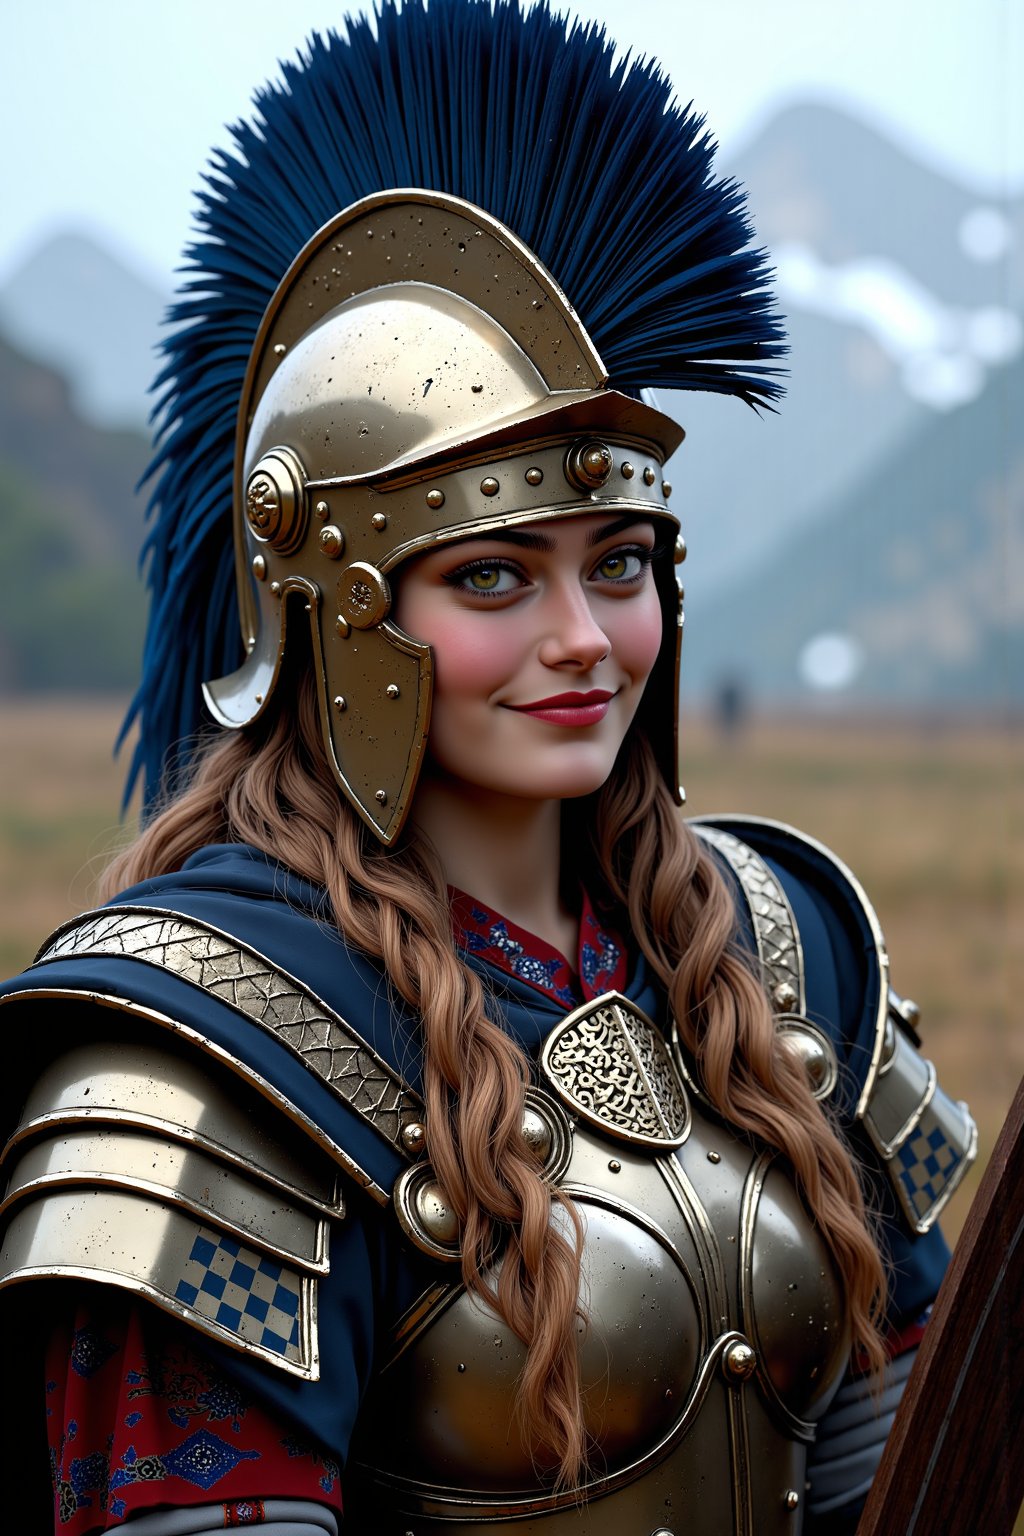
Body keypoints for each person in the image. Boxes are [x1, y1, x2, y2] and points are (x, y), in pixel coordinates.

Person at [0, 2, 976, 1532]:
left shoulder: (780, 955)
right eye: (499, 577)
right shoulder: (206, 1065)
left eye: (624, 562)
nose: (591, 637)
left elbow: (896, 1479)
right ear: (335, 612)